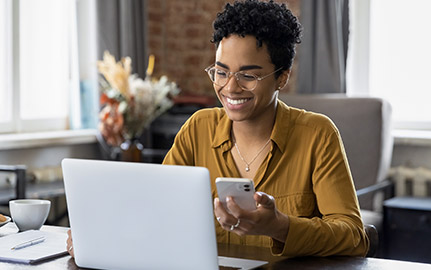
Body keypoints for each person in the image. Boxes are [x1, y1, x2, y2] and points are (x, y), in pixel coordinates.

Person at [67, 0, 369, 258]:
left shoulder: (317, 134)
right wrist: (100, 231)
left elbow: (355, 237)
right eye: (221, 72)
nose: (230, 87)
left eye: (248, 76)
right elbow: (155, 208)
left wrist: (279, 225)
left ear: (282, 77)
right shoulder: (198, 128)